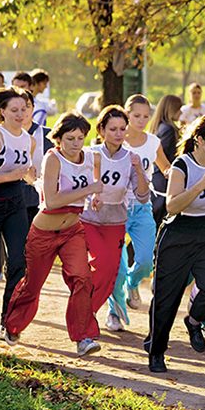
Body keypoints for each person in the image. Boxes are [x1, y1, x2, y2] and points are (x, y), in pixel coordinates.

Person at [4, 112, 103, 356]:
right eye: (70, 139)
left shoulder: (90, 156)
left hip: (72, 231)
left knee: (82, 278)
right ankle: (13, 325)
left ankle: (84, 338)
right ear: (58, 138)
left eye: (80, 138)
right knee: (33, 285)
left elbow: (99, 175)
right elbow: (52, 201)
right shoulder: (53, 158)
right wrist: (90, 189)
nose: (76, 144)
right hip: (44, 232)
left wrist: (97, 195)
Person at [144, 116, 205, 373]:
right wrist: (200, 185)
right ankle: (156, 351)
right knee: (166, 298)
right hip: (178, 232)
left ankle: (194, 321)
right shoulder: (181, 165)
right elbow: (172, 206)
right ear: (199, 140)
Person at [106, 95, 171, 331]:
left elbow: (165, 167)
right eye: (136, 116)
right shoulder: (115, 139)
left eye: (146, 116)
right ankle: (114, 312)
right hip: (114, 209)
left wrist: (176, 174)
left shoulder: (153, 142)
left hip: (143, 208)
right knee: (118, 267)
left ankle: (133, 284)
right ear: (126, 114)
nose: (142, 120)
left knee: (144, 261)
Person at [80, 106, 149, 316]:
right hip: (89, 219)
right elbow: (79, 185)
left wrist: (138, 169)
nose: (118, 134)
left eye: (122, 129)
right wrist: (93, 195)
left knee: (112, 273)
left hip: (116, 221)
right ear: (101, 130)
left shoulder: (131, 158)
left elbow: (143, 196)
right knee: (100, 265)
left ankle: (87, 312)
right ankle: (85, 313)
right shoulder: (89, 155)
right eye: (113, 129)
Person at [0, 87, 35, 340]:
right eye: (14, 110)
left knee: (19, 260)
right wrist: (8, 176)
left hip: (16, 203)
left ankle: (8, 323)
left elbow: (27, 170)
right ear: (2, 111)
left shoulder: (29, 139)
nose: (20, 114)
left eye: (23, 109)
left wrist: (36, 180)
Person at [149, 94, 183, 226]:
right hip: (164, 180)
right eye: (178, 109)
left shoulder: (159, 127)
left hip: (157, 178)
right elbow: (167, 156)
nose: (181, 112)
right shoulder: (168, 130)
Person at [20, 90, 54, 222]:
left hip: (38, 201)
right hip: (9, 202)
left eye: (26, 107)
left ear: (33, 108)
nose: (22, 112)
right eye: (16, 108)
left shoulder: (47, 136)